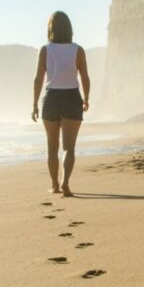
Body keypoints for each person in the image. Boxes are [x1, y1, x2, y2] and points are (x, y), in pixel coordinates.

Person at [32, 11, 90, 197]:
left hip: (51, 98)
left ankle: (55, 185)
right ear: (69, 28)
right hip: (72, 97)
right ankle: (65, 183)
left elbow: (38, 79)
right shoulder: (78, 50)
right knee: (69, 148)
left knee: (52, 148)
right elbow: (85, 77)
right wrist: (86, 98)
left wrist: (34, 104)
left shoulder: (45, 50)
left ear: (51, 28)